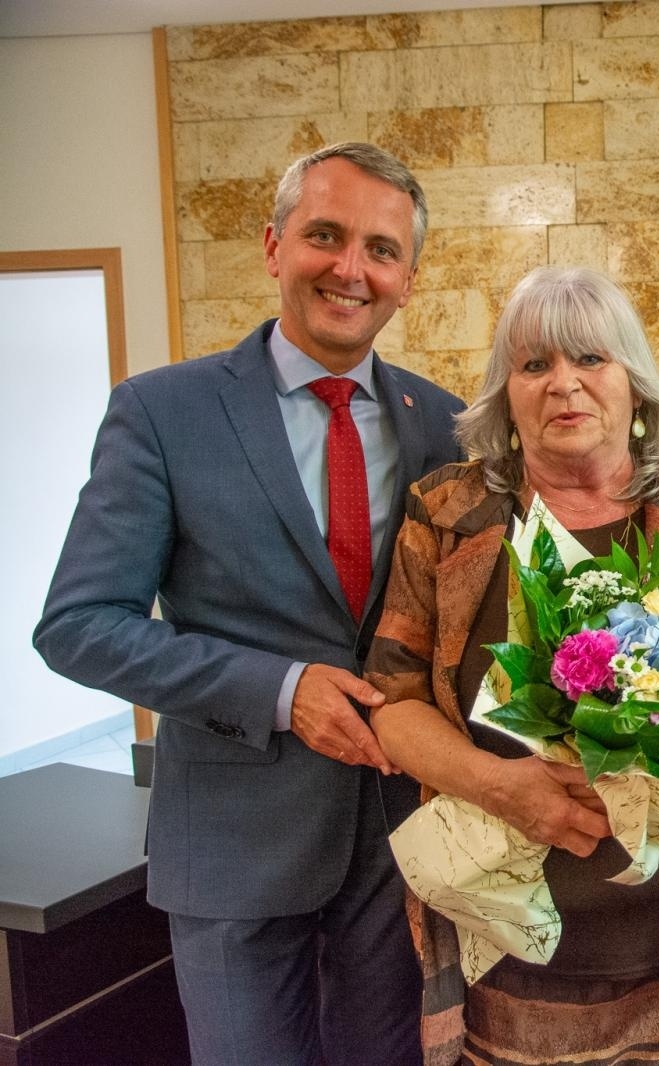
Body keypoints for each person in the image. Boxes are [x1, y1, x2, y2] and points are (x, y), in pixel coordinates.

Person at [33, 142, 465, 1064]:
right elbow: (76, 625)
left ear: (409, 281)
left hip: (403, 844)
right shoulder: (163, 411)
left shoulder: (448, 425)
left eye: (381, 251)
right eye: (325, 235)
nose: (351, 268)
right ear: (273, 247)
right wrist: (280, 689)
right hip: (231, 847)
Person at [363, 265, 659, 1066]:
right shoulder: (450, 515)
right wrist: (500, 784)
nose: (564, 385)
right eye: (535, 366)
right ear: (506, 395)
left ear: (633, 384)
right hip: (508, 948)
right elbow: (392, 704)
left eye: (591, 360)